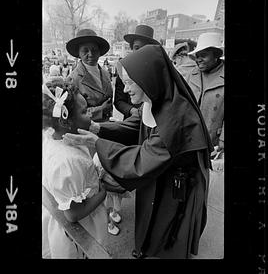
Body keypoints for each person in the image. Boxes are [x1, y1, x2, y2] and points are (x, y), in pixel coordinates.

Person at [63, 44, 213, 259]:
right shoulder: (156, 99)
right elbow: (135, 126)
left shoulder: (176, 118)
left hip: (177, 187)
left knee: (168, 233)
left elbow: (141, 161)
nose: (125, 90)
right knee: (153, 225)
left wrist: (98, 144)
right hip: (163, 176)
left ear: (148, 79)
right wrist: (97, 128)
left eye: (131, 83)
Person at [42, 80, 109, 259]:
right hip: (81, 228)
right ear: (66, 122)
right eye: (84, 111)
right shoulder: (67, 163)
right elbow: (72, 214)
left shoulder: (52, 137)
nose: (90, 115)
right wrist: (103, 192)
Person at [185, 32, 224, 151]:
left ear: (216, 55)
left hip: (213, 140)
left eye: (203, 55)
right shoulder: (191, 74)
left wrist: (223, 139)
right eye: (197, 56)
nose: (198, 60)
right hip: (189, 137)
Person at [66, 28, 113, 122]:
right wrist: (101, 110)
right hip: (87, 131)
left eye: (94, 50)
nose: (91, 54)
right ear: (79, 54)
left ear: (99, 52)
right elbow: (74, 114)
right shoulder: (73, 79)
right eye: (85, 50)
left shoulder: (106, 73)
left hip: (107, 128)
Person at [113, 24, 160, 119]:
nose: (140, 52)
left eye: (145, 48)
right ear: (132, 48)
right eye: (137, 48)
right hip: (130, 120)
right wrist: (132, 111)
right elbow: (119, 101)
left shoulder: (157, 73)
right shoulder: (124, 71)